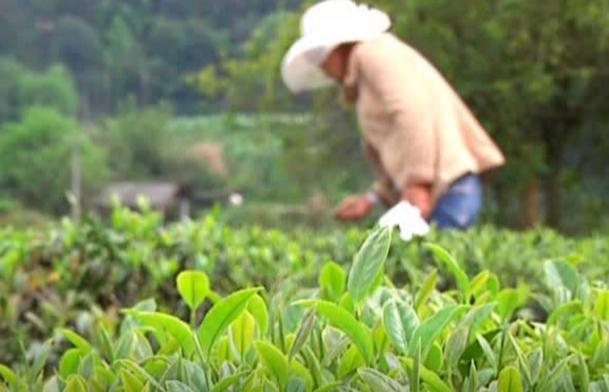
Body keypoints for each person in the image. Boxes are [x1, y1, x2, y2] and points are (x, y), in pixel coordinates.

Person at [281, 0, 506, 230]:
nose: (322, 67)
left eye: (320, 56)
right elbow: (397, 143)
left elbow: (412, 112)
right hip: (446, 189)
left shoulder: (371, 53)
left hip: (447, 188)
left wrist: (418, 182)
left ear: (339, 47)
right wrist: (371, 199)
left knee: (434, 262)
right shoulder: (371, 62)